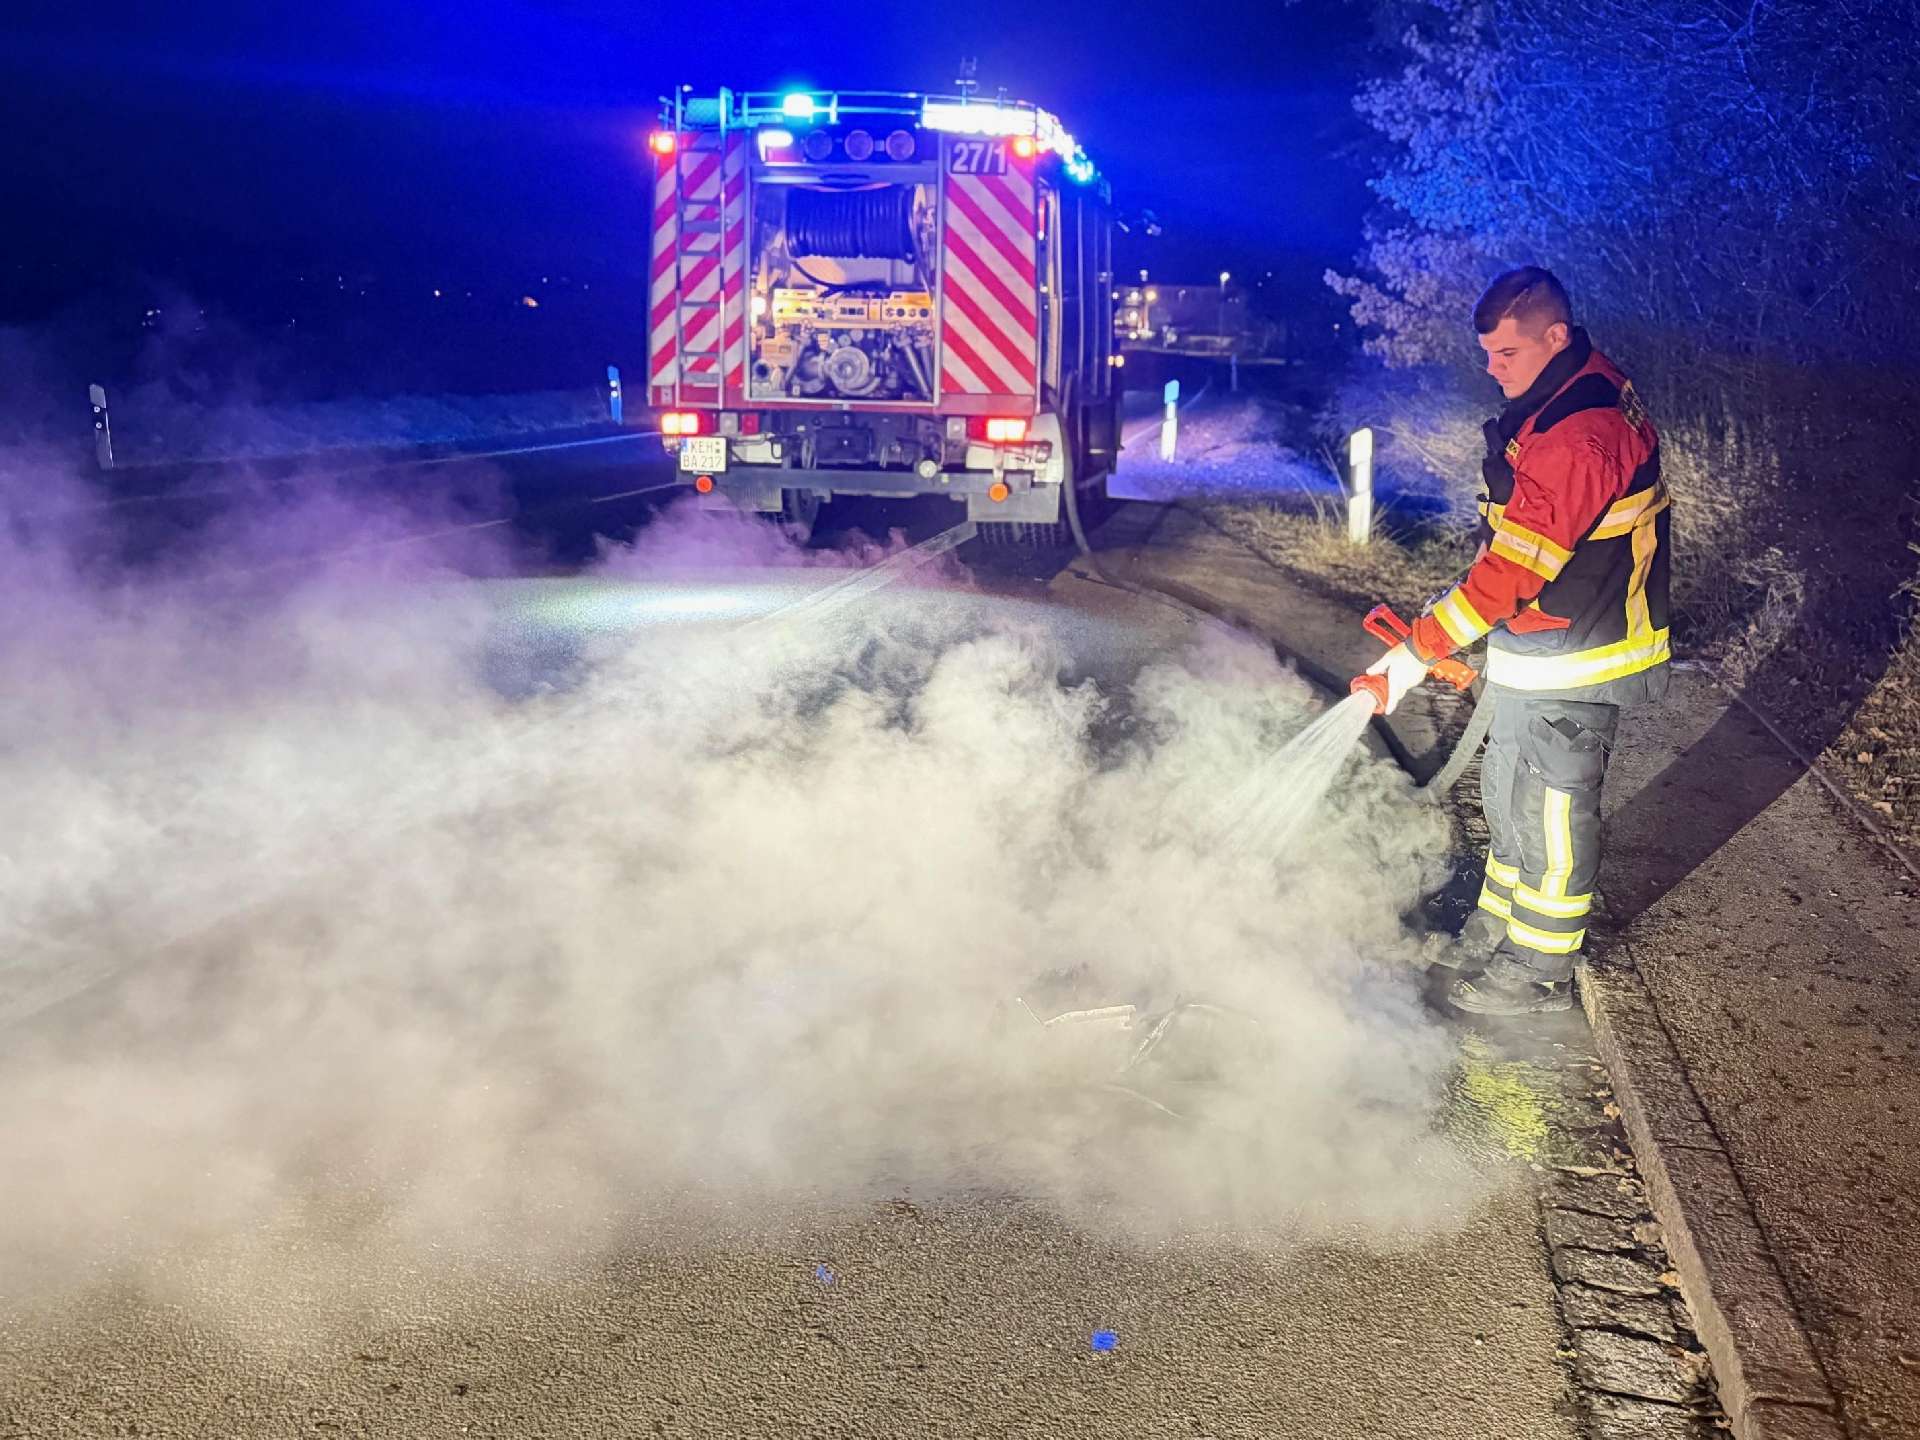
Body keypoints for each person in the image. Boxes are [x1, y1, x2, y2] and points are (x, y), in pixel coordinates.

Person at [1365, 267, 1670, 1015]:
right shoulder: (1557, 403)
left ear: (1555, 337)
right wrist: (1447, 627)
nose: (1493, 369)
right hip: (1538, 645)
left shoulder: (1581, 434)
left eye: (1506, 353)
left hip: (1583, 651)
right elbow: (1509, 549)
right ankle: (1496, 930)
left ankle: (1539, 968)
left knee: (1553, 815)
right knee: (1505, 797)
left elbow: (1513, 572)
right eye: (1488, 355)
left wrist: (1418, 651)